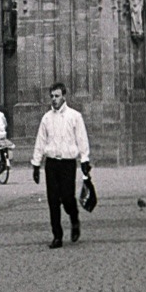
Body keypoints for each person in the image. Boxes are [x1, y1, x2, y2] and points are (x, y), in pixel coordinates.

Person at [30, 81, 92, 248]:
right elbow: (40, 141)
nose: (54, 99)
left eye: (57, 96)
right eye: (52, 96)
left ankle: (74, 218)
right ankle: (57, 235)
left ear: (64, 96)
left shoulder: (74, 116)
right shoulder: (46, 118)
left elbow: (82, 139)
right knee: (52, 201)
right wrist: (36, 164)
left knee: (67, 197)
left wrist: (85, 160)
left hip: (67, 163)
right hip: (51, 163)